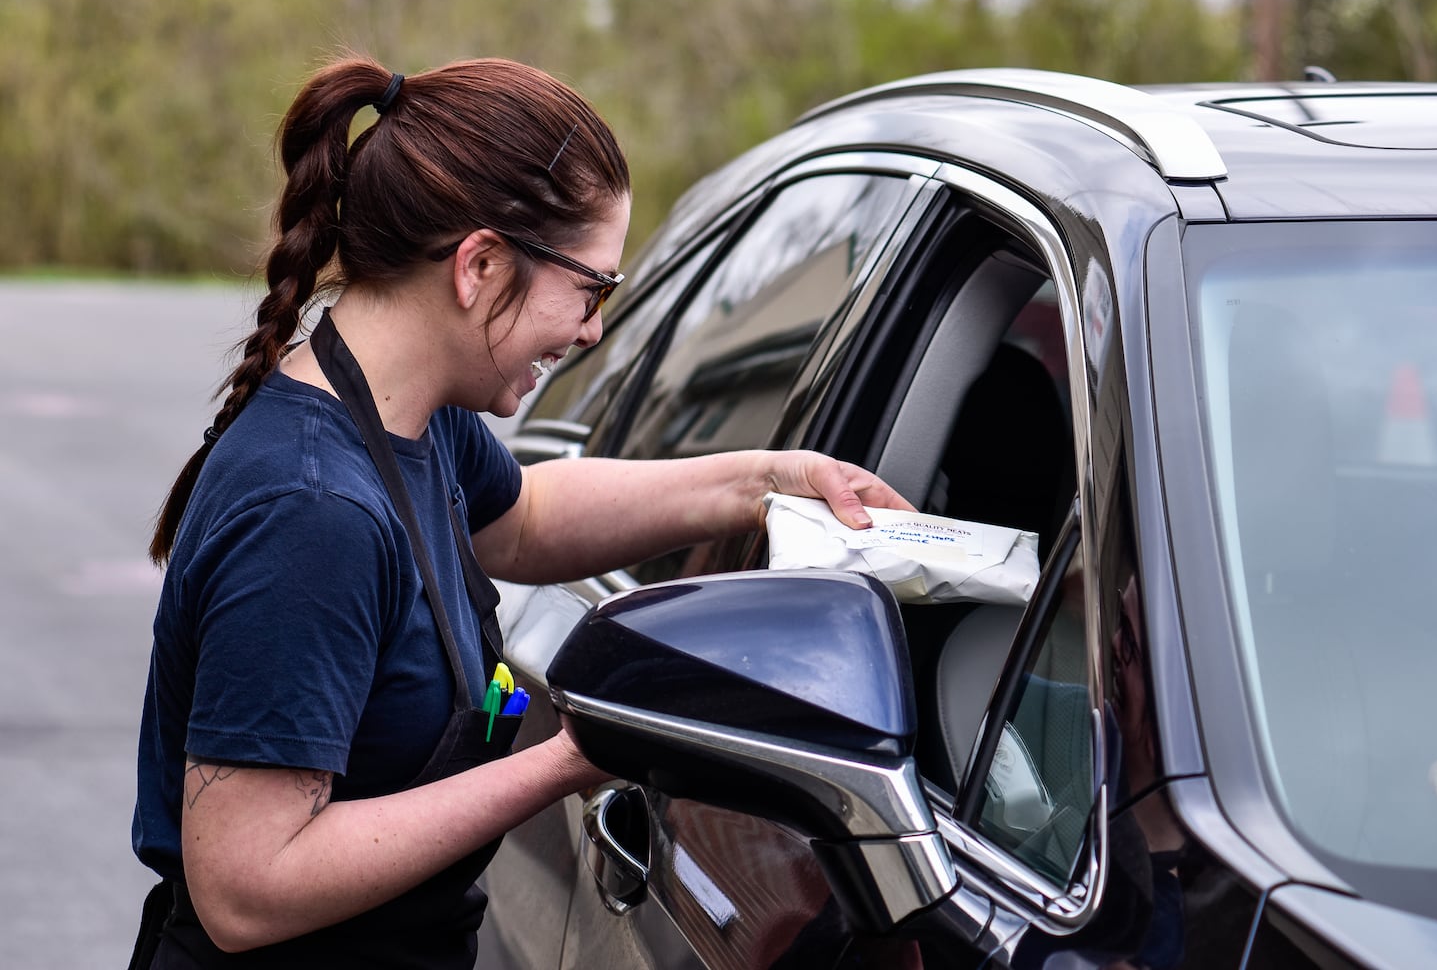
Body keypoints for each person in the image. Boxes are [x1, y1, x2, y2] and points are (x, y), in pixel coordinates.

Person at [130, 56, 909, 968]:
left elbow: (528, 517)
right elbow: (247, 888)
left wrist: (765, 482)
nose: (593, 333)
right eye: (592, 290)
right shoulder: (314, 516)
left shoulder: (413, 420)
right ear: (483, 264)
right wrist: (568, 759)